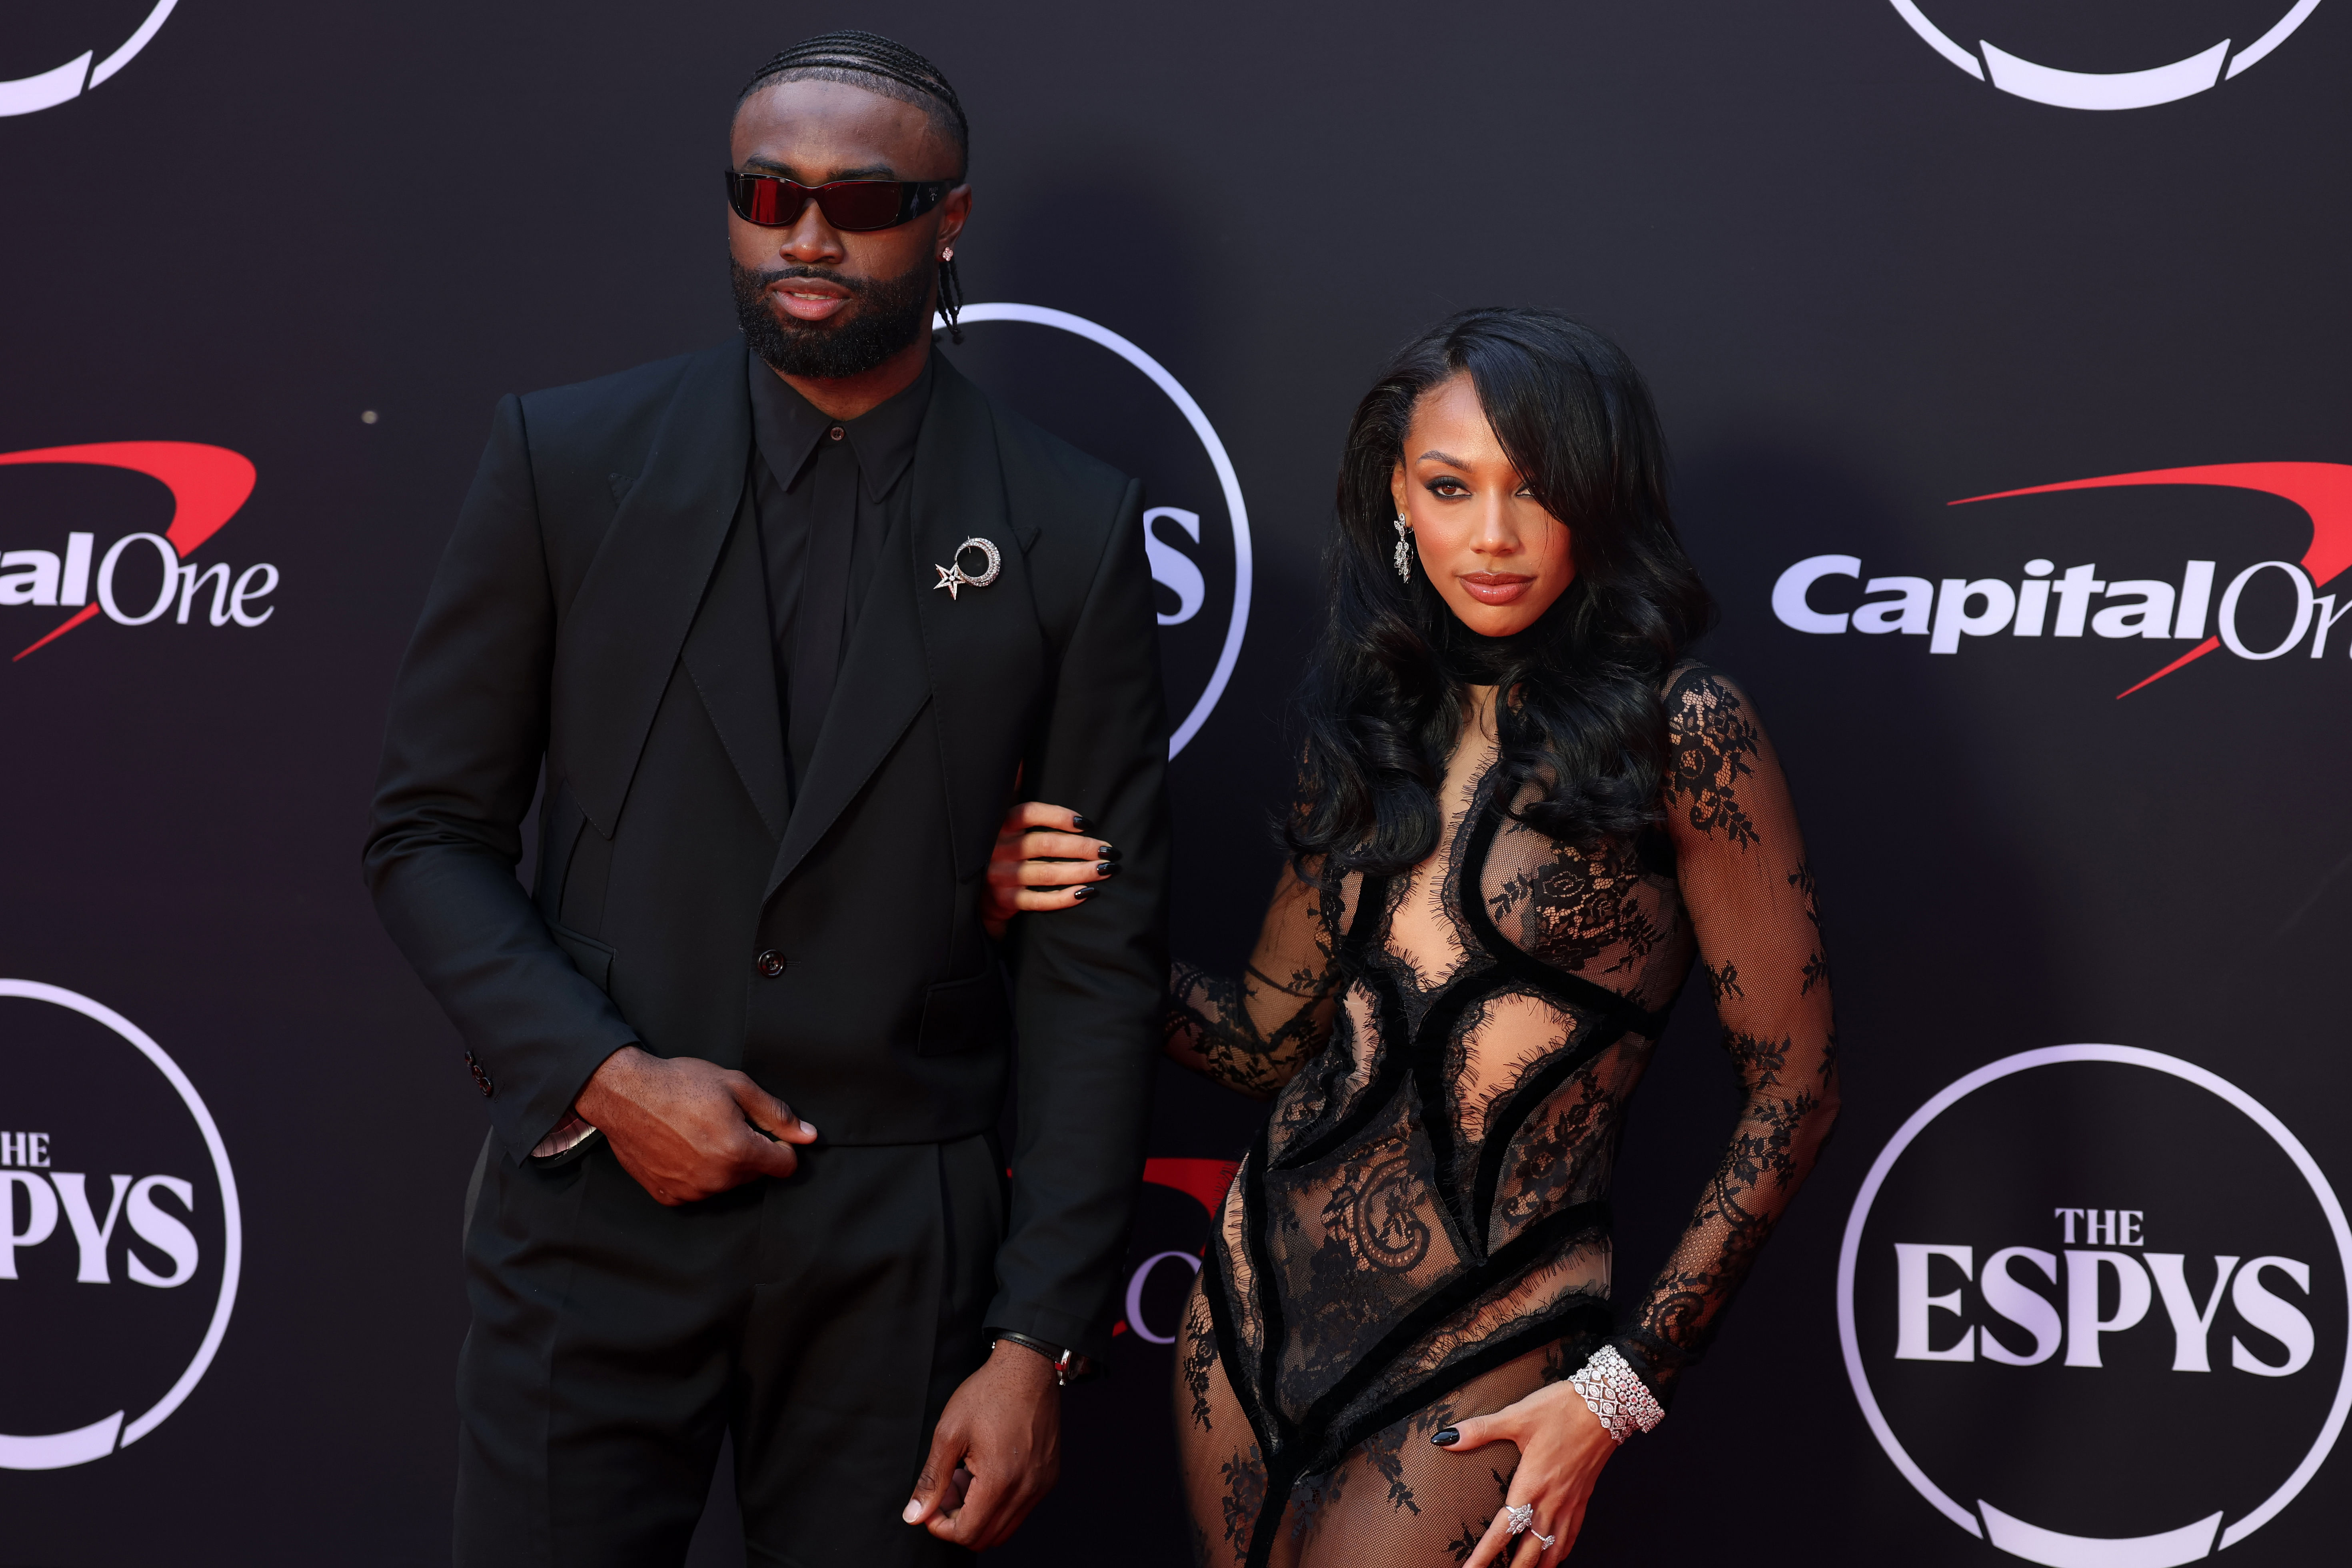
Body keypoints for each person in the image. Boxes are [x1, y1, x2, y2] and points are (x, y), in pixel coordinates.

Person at [364, 31, 1170, 1567]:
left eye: (860, 200)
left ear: (950, 219)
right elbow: (427, 837)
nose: (805, 234)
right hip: (589, 1216)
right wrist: (603, 1076)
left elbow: (1093, 966)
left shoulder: (1069, 524)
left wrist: (1032, 1343)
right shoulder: (568, 460)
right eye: (764, 191)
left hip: (902, 1257)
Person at [985, 308, 1838, 1566]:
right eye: (1449, 488)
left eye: (1535, 489)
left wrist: (1619, 1388)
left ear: (1601, 501)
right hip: (1247, 1313)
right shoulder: (1379, 718)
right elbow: (1261, 1044)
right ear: (1397, 494)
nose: (1490, 536)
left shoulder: (1682, 730)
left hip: (1492, 1341)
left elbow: (1796, 1085)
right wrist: (1039, 915)